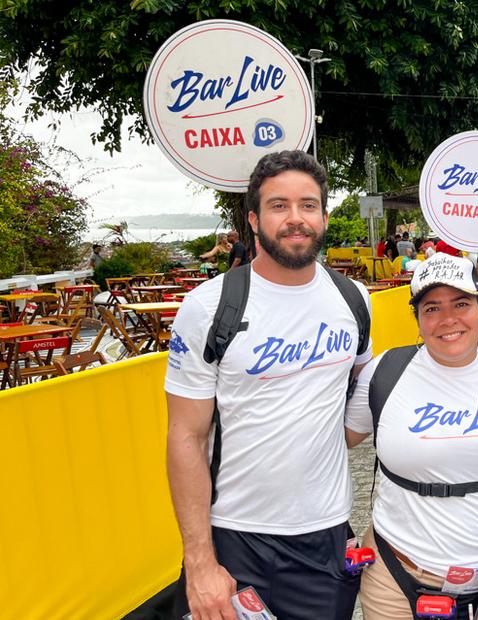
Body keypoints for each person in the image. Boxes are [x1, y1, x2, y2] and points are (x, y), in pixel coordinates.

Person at [164, 150, 372, 620]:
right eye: (279, 206)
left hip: (326, 536)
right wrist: (199, 563)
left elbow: (362, 382)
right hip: (236, 536)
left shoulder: (353, 299)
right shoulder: (208, 307)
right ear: (254, 219)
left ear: (323, 215)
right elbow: (186, 437)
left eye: (309, 205)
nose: (295, 219)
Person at [344, 253, 478, 619]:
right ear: (418, 320)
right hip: (395, 573)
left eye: (461, 304)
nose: (448, 319)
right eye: (432, 308)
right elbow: (330, 444)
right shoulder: (386, 371)